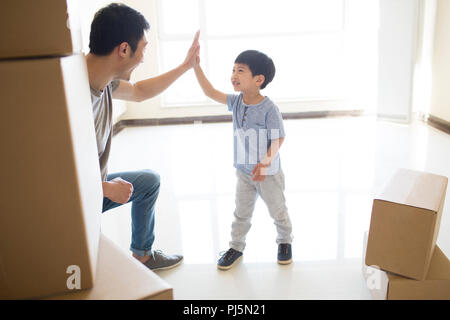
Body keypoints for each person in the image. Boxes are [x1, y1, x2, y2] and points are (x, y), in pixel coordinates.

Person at [85, 3, 200, 271]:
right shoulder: (70, 92)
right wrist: (103, 188)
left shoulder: (102, 79)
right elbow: (54, 169)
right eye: (144, 48)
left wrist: (185, 67)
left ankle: (143, 256)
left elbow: (138, 91)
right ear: (124, 49)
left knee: (148, 181)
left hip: (92, 185)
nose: (144, 57)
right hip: (75, 195)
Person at [194, 48, 293, 270]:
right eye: (233, 70)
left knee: (278, 210)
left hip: (268, 173)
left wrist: (265, 162)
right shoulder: (236, 102)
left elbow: (279, 138)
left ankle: (285, 241)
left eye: (240, 70)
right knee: (241, 212)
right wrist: (196, 67)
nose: (234, 75)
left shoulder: (269, 108)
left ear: (258, 79)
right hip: (244, 172)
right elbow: (210, 91)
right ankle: (236, 247)